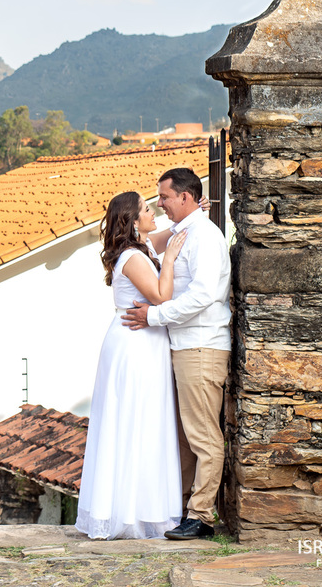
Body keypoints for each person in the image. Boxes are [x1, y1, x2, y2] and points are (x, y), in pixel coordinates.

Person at [123, 168, 231, 541]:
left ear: (184, 197)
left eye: (165, 197)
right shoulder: (188, 231)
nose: (161, 204)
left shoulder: (205, 237)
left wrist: (154, 316)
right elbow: (148, 245)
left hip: (201, 346)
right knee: (186, 436)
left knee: (203, 436)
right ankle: (183, 508)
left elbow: (202, 296)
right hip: (183, 346)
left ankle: (201, 516)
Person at [75, 191, 187, 540]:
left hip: (144, 342)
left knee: (144, 421)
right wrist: (168, 261)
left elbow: (169, 233)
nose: (154, 211)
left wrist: (193, 212)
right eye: (147, 209)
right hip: (134, 345)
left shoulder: (142, 245)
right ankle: (128, 514)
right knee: (135, 421)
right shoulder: (133, 257)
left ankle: (139, 508)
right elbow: (160, 296)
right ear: (134, 220)